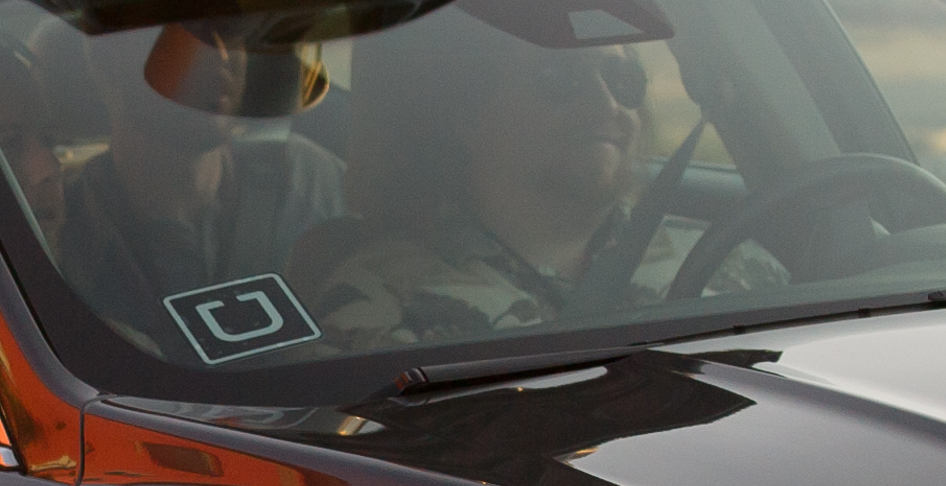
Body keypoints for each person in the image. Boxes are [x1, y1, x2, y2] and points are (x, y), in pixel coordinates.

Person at [295, 22, 787, 353]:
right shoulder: (384, 302)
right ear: (470, 118)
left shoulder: (724, 257)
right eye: (559, 81)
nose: (606, 104)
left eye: (623, 80)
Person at [47, 26, 348, 340]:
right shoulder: (60, 228)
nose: (222, 56)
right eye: (192, 32)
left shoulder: (310, 182)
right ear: (108, 61)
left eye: (231, 30)